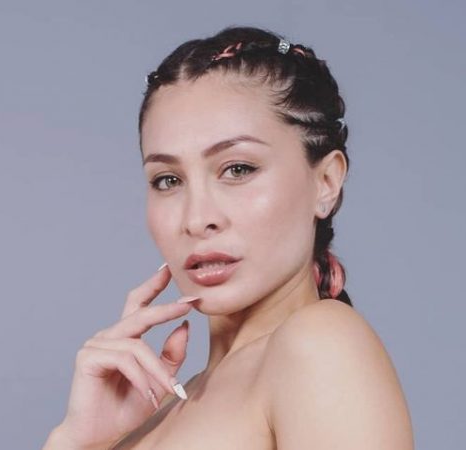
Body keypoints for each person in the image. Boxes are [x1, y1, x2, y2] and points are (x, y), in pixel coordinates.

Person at [42, 25, 413, 449]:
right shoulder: (157, 407)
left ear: (326, 182)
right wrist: (76, 442)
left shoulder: (320, 344)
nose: (197, 219)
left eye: (238, 169)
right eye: (167, 180)